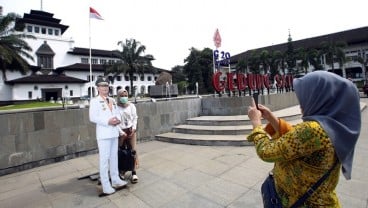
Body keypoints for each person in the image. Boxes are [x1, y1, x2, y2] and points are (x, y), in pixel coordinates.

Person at [247, 71, 361, 207]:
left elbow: (266, 152)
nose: (301, 102)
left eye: (306, 96)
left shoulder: (314, 130)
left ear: (320, 98)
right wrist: (271, 118)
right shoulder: (333, 125)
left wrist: (256, 123)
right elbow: (297, 139)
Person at [89, 77, 127, 195]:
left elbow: (117, 113)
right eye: (102, 86)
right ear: (98, 88)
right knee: (104, 160)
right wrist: (108, 121)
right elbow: (93, 117)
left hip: (114, 133)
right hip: (104, 134)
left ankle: (115, 179)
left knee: (114, 158)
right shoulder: (95, 101)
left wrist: (118, 120)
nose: (105, 88)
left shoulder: (112, 100)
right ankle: (106, 185)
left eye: (106, 86)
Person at [116, 89, 139, 183]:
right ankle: (122, 171)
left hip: (130, 131)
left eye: (125, 95)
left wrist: (133, 128)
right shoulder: (115, 107)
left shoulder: (131, 106)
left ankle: (133, 172)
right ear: (118, 96)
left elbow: (135, 118)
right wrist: (121, 132)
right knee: (121, 152)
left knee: (133, 151)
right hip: (121, 133)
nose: (124, 97)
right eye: (122, 95)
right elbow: (115, 122)